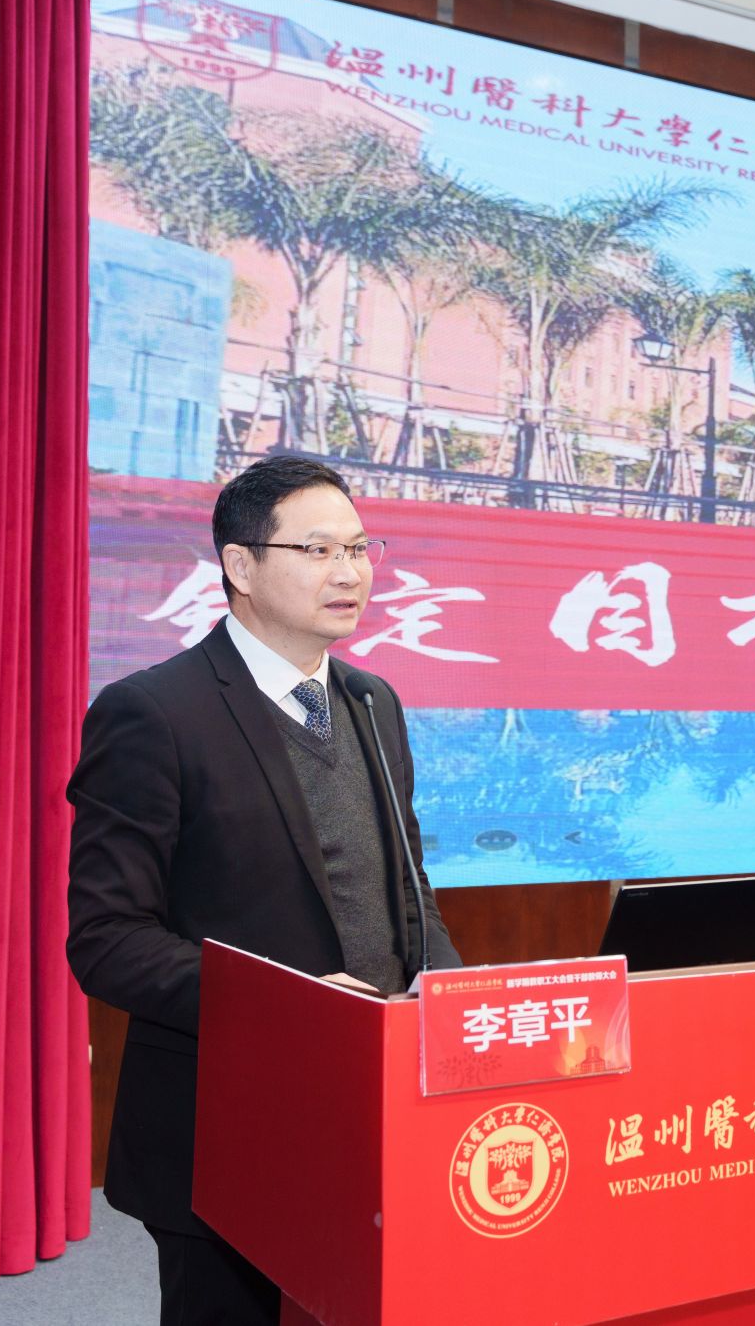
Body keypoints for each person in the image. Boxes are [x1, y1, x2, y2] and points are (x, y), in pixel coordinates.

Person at [67, 456, 460, 1326]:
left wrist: (452, 1000)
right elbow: (106, 938)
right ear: (240, 566)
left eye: (359, 548)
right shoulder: (154, 713)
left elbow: (408, 890)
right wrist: (290, 1004)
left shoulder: (372, 701)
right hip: (227, 1123)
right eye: (318, 550)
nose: (350, 572)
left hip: (372, 1106)